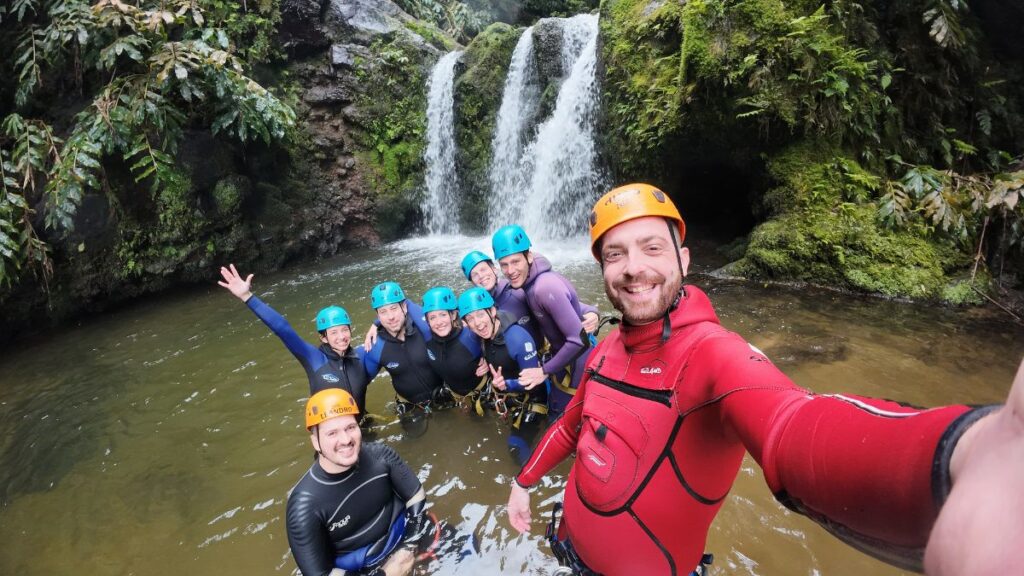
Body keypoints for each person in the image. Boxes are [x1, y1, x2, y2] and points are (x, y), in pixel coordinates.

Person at [506, 183, 1023, 575]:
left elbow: (791, 426)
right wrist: (523, 483)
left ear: (683, 259)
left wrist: (964, 451)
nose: (633, 268)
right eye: (615, 255)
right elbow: (572, 428)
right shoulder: (602, 354)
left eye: (651, 248)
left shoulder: (713, 356)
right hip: (569, 548)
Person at [286, 388, 431, 576]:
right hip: (363, 569)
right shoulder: (303, 507)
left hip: (406, 538)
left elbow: (416, 496)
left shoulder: (381, 455)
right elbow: (319, 573)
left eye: (350, 427)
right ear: (315, 441)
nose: (346, 440)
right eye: (332, 433)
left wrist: (409, 547)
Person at [217, 264, 371, 414]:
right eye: (334, 332)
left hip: (361, 428)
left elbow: (389, 336)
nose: (341, 337)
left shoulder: (360, 356)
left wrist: (375, 325)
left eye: (345, 330)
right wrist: (247, 296)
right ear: (323, 338)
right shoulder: (315, 359)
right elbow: (282, 329)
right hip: (332, 436)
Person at [490, 227, 593, 417]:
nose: (510, 270)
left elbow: (579, 340)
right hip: (564, 358)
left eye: (515, 262)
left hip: (575, 363)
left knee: (562, 421)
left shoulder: (543, 288)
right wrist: (593, 311)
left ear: (529, 256)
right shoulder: (531, 283)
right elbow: (571, 302)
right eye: (504, 264)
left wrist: (544, 371)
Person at [459, 286, 549, 466]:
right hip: (506, 392)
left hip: (533, 398)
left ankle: (527, 485)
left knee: (515, 447)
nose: (477, 323)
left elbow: (535, 384)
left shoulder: (517, 339)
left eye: (480, 315)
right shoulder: (478, 334)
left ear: (493, 311)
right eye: (470, 318)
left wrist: (506, 384)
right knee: (471, 418)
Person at [460, 251, 601, 349]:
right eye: (475, 275)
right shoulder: (473, 311)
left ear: (494, 269)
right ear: (472, 282)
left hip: (537, 358)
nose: (481, 276)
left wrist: (592, 312)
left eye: (483, 270)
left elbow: (562, 302)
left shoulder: (518, 291)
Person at [362, 281, 445, 435]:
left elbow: (456, 325)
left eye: (394, 308)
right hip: (410, 407)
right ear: (378, 316)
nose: (391, 317)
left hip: (443, 396)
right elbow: (359, 381)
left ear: (404, 308)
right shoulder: (375, 346)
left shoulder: (425, 329)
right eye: (383, 312)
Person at [420, 286, 489, 414]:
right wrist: (376, 323)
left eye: (442, 314)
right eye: (433, 317)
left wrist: (488, 360)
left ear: (453, 314)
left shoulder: (470, 336)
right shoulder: (426, 335)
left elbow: (496, 333)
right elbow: (404, 306)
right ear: (427, 321)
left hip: (481, 394)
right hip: (453, 395)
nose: (439, 322)